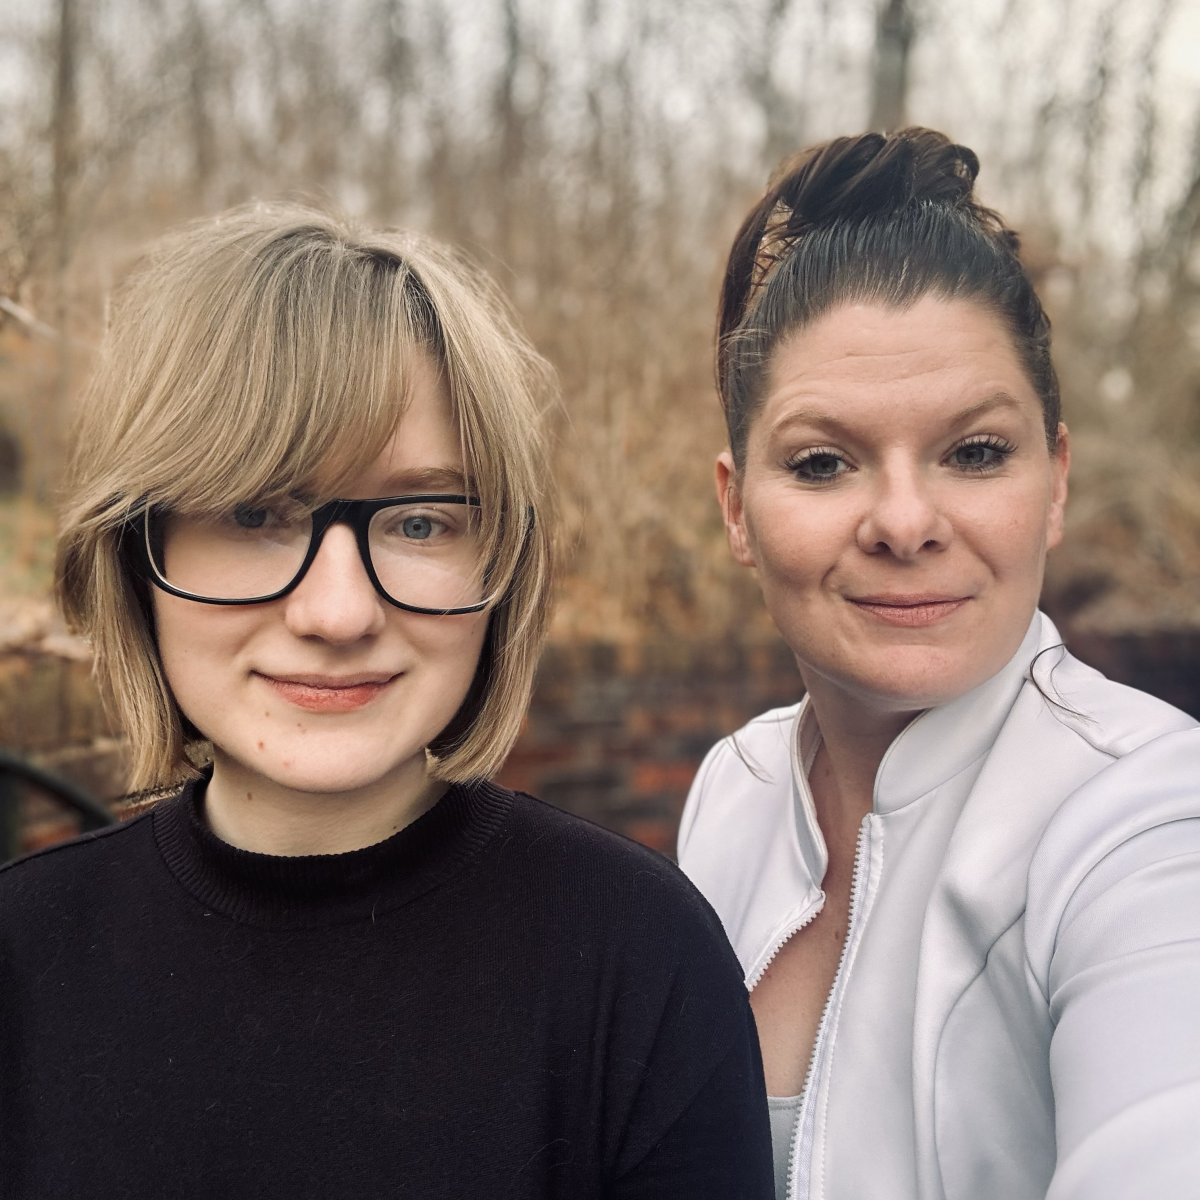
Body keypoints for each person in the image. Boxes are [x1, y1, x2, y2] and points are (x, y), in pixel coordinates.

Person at [0, 204, 773, 1199]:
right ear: (135, 551)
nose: (338, 612)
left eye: (418, 521)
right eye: (255, 512)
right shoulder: (22, 959)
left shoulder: (638, 961)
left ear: (504, 563)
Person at [677, 128, 1200, 1200]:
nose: (906, 522)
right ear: (736, 509)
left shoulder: (1150, 819)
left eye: (975, 452)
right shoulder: (731, 792)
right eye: (823, 462)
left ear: (1055, 480)